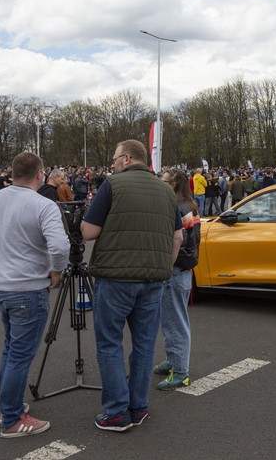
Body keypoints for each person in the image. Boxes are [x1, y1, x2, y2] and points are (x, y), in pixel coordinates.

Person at [80, 139, 182, 432]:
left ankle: (115, 412)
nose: (112, 164)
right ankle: (138, 406)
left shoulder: (113, 185)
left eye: (114, 159)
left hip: (115, 278)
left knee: (110, 343)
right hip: (153, 279)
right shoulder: (166, 190)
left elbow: (88, 232)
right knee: (145, 344)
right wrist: (163, 265)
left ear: (126, 159)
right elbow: (177, 238)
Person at [0, 151, 70, 438]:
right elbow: (60, 246)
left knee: (10, 349)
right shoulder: (43, 205)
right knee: (19, 354)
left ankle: (10, 406)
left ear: (12, 173)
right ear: (40, 174)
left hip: (0, 286)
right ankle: (12, 419)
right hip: (27, 289)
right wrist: (56, 272)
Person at [155, 169, 201, 390]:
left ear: (172, 184)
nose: (159, 183)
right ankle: (174, 360)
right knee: (173, 319)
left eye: (163, 180)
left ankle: (180, 370)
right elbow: (194, 239)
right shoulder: (189, 206)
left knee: (175, 321)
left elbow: (178, 242)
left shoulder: (176, 207)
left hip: (175, 270)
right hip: (183, 269)